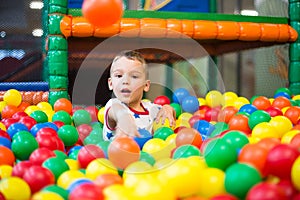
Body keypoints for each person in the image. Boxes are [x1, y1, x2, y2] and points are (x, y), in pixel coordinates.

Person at [102, 50, 176, 141]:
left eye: (134, 76)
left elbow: (168, 112)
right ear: (111, 83)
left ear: (146, 85)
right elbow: (116, 111)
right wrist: (123, 118)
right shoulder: (114, 104)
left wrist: (167, 108)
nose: (125, 81)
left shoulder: (151, 109)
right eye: (119, 75)